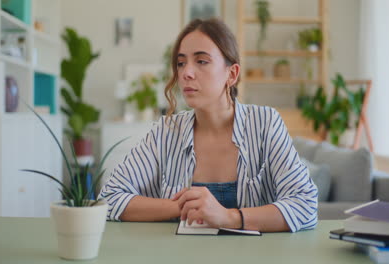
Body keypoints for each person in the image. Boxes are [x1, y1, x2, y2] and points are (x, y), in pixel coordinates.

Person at [99, 18, 318, 233]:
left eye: (201, 61)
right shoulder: (165, 132)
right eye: (181, 62)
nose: (186, 73)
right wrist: (182, 206)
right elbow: (109, 197)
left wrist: (228, 217)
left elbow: (306, 206)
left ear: (231, 74)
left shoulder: (265, 124)